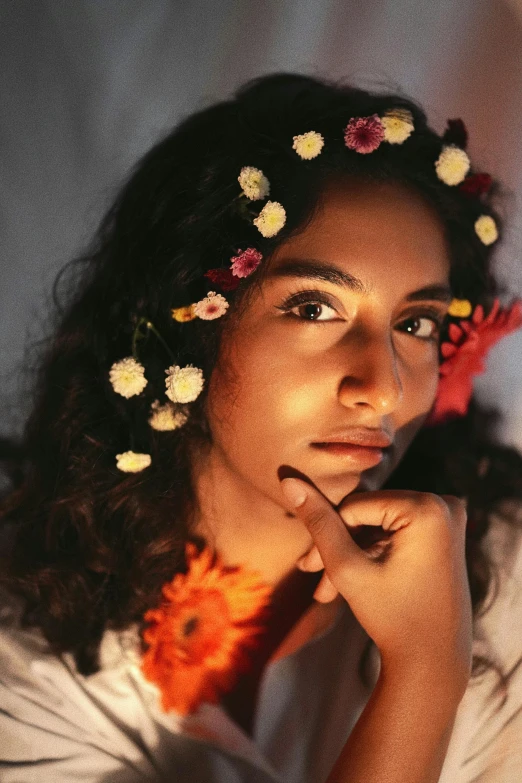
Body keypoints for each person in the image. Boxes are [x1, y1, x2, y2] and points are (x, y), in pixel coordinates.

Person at [1, 73, 522, 783]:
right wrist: (425, 678)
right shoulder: (31, 649)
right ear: (182, 332)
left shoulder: (508, 598)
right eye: (313, 308)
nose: (383, 387)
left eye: (416, 323)